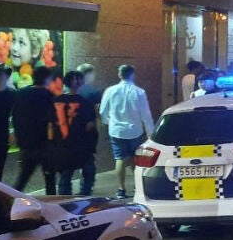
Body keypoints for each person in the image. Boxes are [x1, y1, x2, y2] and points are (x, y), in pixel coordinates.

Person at [100, 64, 156, 198]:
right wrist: (150, 133)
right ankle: (138, 187)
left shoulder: (110, 91)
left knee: (120, 159)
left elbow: (103, 111)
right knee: (135, 160)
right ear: (133, 75)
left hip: (117, 131)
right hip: (135, 131)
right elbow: (146, 114)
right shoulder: (139, 92)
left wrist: (108, 122)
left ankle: (121, 189)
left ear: (120, 75)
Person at [50, 71, 97, 195]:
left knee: (65, 176)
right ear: (78, 82)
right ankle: (84, 198)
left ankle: (64, 201)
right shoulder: (86, 102)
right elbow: (90, 126)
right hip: (82, 145)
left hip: (62, 145)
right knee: (88, 174)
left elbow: (51, 124)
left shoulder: (56, 100)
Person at [13, 66, 56, 194]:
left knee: (23, 178)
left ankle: (11, 200)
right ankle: (51, 204)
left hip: (26, 144)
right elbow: (52, 121)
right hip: (44, 145)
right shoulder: (49, 96)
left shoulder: (21, 93)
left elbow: (15, 115)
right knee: (50, 180)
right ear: (46, 79)